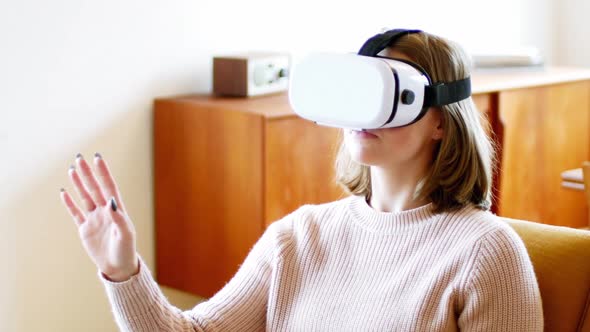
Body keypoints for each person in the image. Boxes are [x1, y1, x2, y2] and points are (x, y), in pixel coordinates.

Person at [60, 30, 544, 331]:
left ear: (441, 120)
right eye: (360, 91)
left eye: (390, 93)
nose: (365, 113)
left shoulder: (486, 252)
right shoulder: (298, 237)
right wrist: (122, 271)